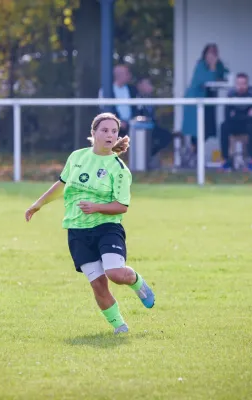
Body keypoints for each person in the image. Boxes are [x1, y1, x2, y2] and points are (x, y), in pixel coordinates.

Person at [24, 112, 155, 334]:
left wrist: (96, 207)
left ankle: (137, 282)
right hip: (77, 230)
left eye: (114, 131)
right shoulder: (77, 157)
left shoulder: (120, 170)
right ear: (93, 133)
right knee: (98, 285)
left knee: (115, 273)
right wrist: (38, 204)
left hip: (107, 228)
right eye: (104, 130)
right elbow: (62, 184)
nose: (110, 135)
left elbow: (122, 205)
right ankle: (119, 327)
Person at [180, 44, 228, 164]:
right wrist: (212, 67)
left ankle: (195, 154)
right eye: (210, 52)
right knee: (197, 129)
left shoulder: (219, 64)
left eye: (214, 52)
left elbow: (225, 75)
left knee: (207, 129)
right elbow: (205, 79)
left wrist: (218, 69)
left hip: (209, 101)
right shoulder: (201, 65)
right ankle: (192, 154)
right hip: (196, 100)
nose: (212, 55)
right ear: (205, 54)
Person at [220, 73, 252, 170]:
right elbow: (227, 116)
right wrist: (246, 115)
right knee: (224, 126)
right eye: (239, 84)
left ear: (247, 84)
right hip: (235, 125)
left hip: (249, 125)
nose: (241, 86)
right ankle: (226, 160)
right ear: (235, 84)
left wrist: (237, 115)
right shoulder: (230, 95)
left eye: (244, 84)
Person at [135, 76, 172, 168]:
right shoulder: (135, 99)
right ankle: (145, 157)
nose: (150, 87)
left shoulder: (151, 99)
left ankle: (149, 154)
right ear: (140, 86)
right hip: (140, 128)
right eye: (147, 84)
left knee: (167, 136)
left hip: (151, 127)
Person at [98, 64, 138, 138]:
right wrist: (118, 121)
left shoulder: (132, 90)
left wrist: (132, 121)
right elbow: (104, 109)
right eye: (127, 73)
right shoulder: (106, 90)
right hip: (112, 126)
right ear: (119, 75)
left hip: (132, 125)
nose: (129, 76)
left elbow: (136, 108)